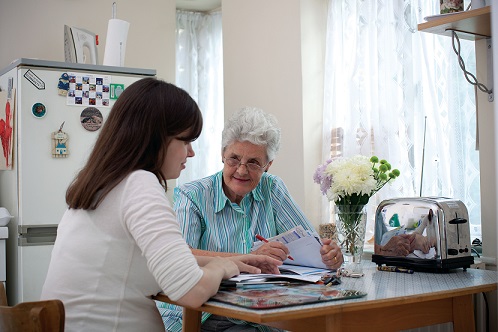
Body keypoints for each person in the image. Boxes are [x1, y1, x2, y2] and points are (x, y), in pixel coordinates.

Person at [40, 78, 281, 332]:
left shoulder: (102, 184)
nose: (191, 153)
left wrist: (238, 261)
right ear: (157, 139)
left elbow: (168, 259)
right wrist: (221, 267)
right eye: (185, 141)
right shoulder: (139, 185)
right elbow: (191, 291)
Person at [158, 107, 344, 331]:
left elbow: (311, 247)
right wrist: (248, 258)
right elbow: (181, 255)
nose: (242, 170)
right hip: (202, 314)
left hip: (262, 314)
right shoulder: (193, 195)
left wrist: (329, 255)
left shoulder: (272, 188)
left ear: (268, 165)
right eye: (234, 159)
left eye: (254, 162)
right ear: (222, 155)